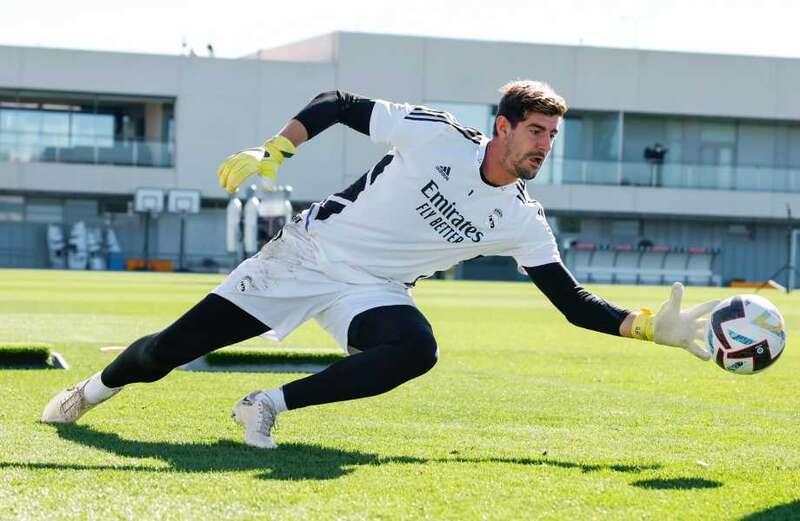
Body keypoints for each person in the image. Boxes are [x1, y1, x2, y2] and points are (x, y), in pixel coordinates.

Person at [42, 81, 718, 449]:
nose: (544, 145)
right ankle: (90, 392)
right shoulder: (436, 135)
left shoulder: (520, 215)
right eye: (536, 131)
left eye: (553, 136)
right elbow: (338, 104)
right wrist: (276, 150)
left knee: (415, 348)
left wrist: (647, 328)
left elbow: (571, 301)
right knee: (166, 351)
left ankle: (265, 405)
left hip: (372, 291)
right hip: (305, 256)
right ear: (503, 127)